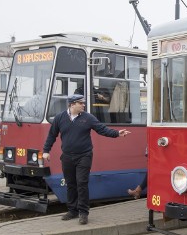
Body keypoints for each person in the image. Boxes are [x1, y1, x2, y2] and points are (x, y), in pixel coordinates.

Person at [43, 94, 130, 224]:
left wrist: (117, 133)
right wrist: (46, 151)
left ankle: (83, 213)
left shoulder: (88, 118)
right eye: (81, 103)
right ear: (72, 104)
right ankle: (72, 210)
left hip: (84, 156)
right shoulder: (59, 118)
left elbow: (102, 129)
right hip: (67, 157)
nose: (83, 105)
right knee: (70, 184)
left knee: (82, 183)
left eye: (83, 103)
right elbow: (51, 135)